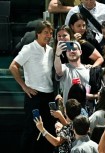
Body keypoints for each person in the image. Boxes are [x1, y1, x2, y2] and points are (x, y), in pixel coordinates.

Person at [9, 20, 56, 153]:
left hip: (49, 95)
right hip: (34, 95)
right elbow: (13, 66)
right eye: (46, 33)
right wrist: (24, 87)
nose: (48, 35)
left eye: (51, 33)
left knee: (48, 128)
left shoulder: (51, 50)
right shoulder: (28, 48)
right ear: (38, 34)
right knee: (31, 129)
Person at [54, 40, 91, 105]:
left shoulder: (88, 69)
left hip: (86, 110)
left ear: (80, 52)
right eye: (68, 50)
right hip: (69, 111)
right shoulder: (64, 67)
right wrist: (57, 55)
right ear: (66, 53)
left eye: (74, 49)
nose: (71, 51)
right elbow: (58, 71)